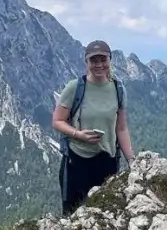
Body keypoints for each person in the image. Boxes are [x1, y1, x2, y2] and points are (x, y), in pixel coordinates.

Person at [51, 40, 135, 216]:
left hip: (107, 160)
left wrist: (132, 160)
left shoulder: (118, 89)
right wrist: (78, 135)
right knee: (73, 215)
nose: (99, 65)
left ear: (109, 60)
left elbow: (121, 129)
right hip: (77, 161)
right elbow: (57, 121)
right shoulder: (75, 87)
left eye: (103, 59)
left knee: (104, 213)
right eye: (93, 60)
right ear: (86, 62)